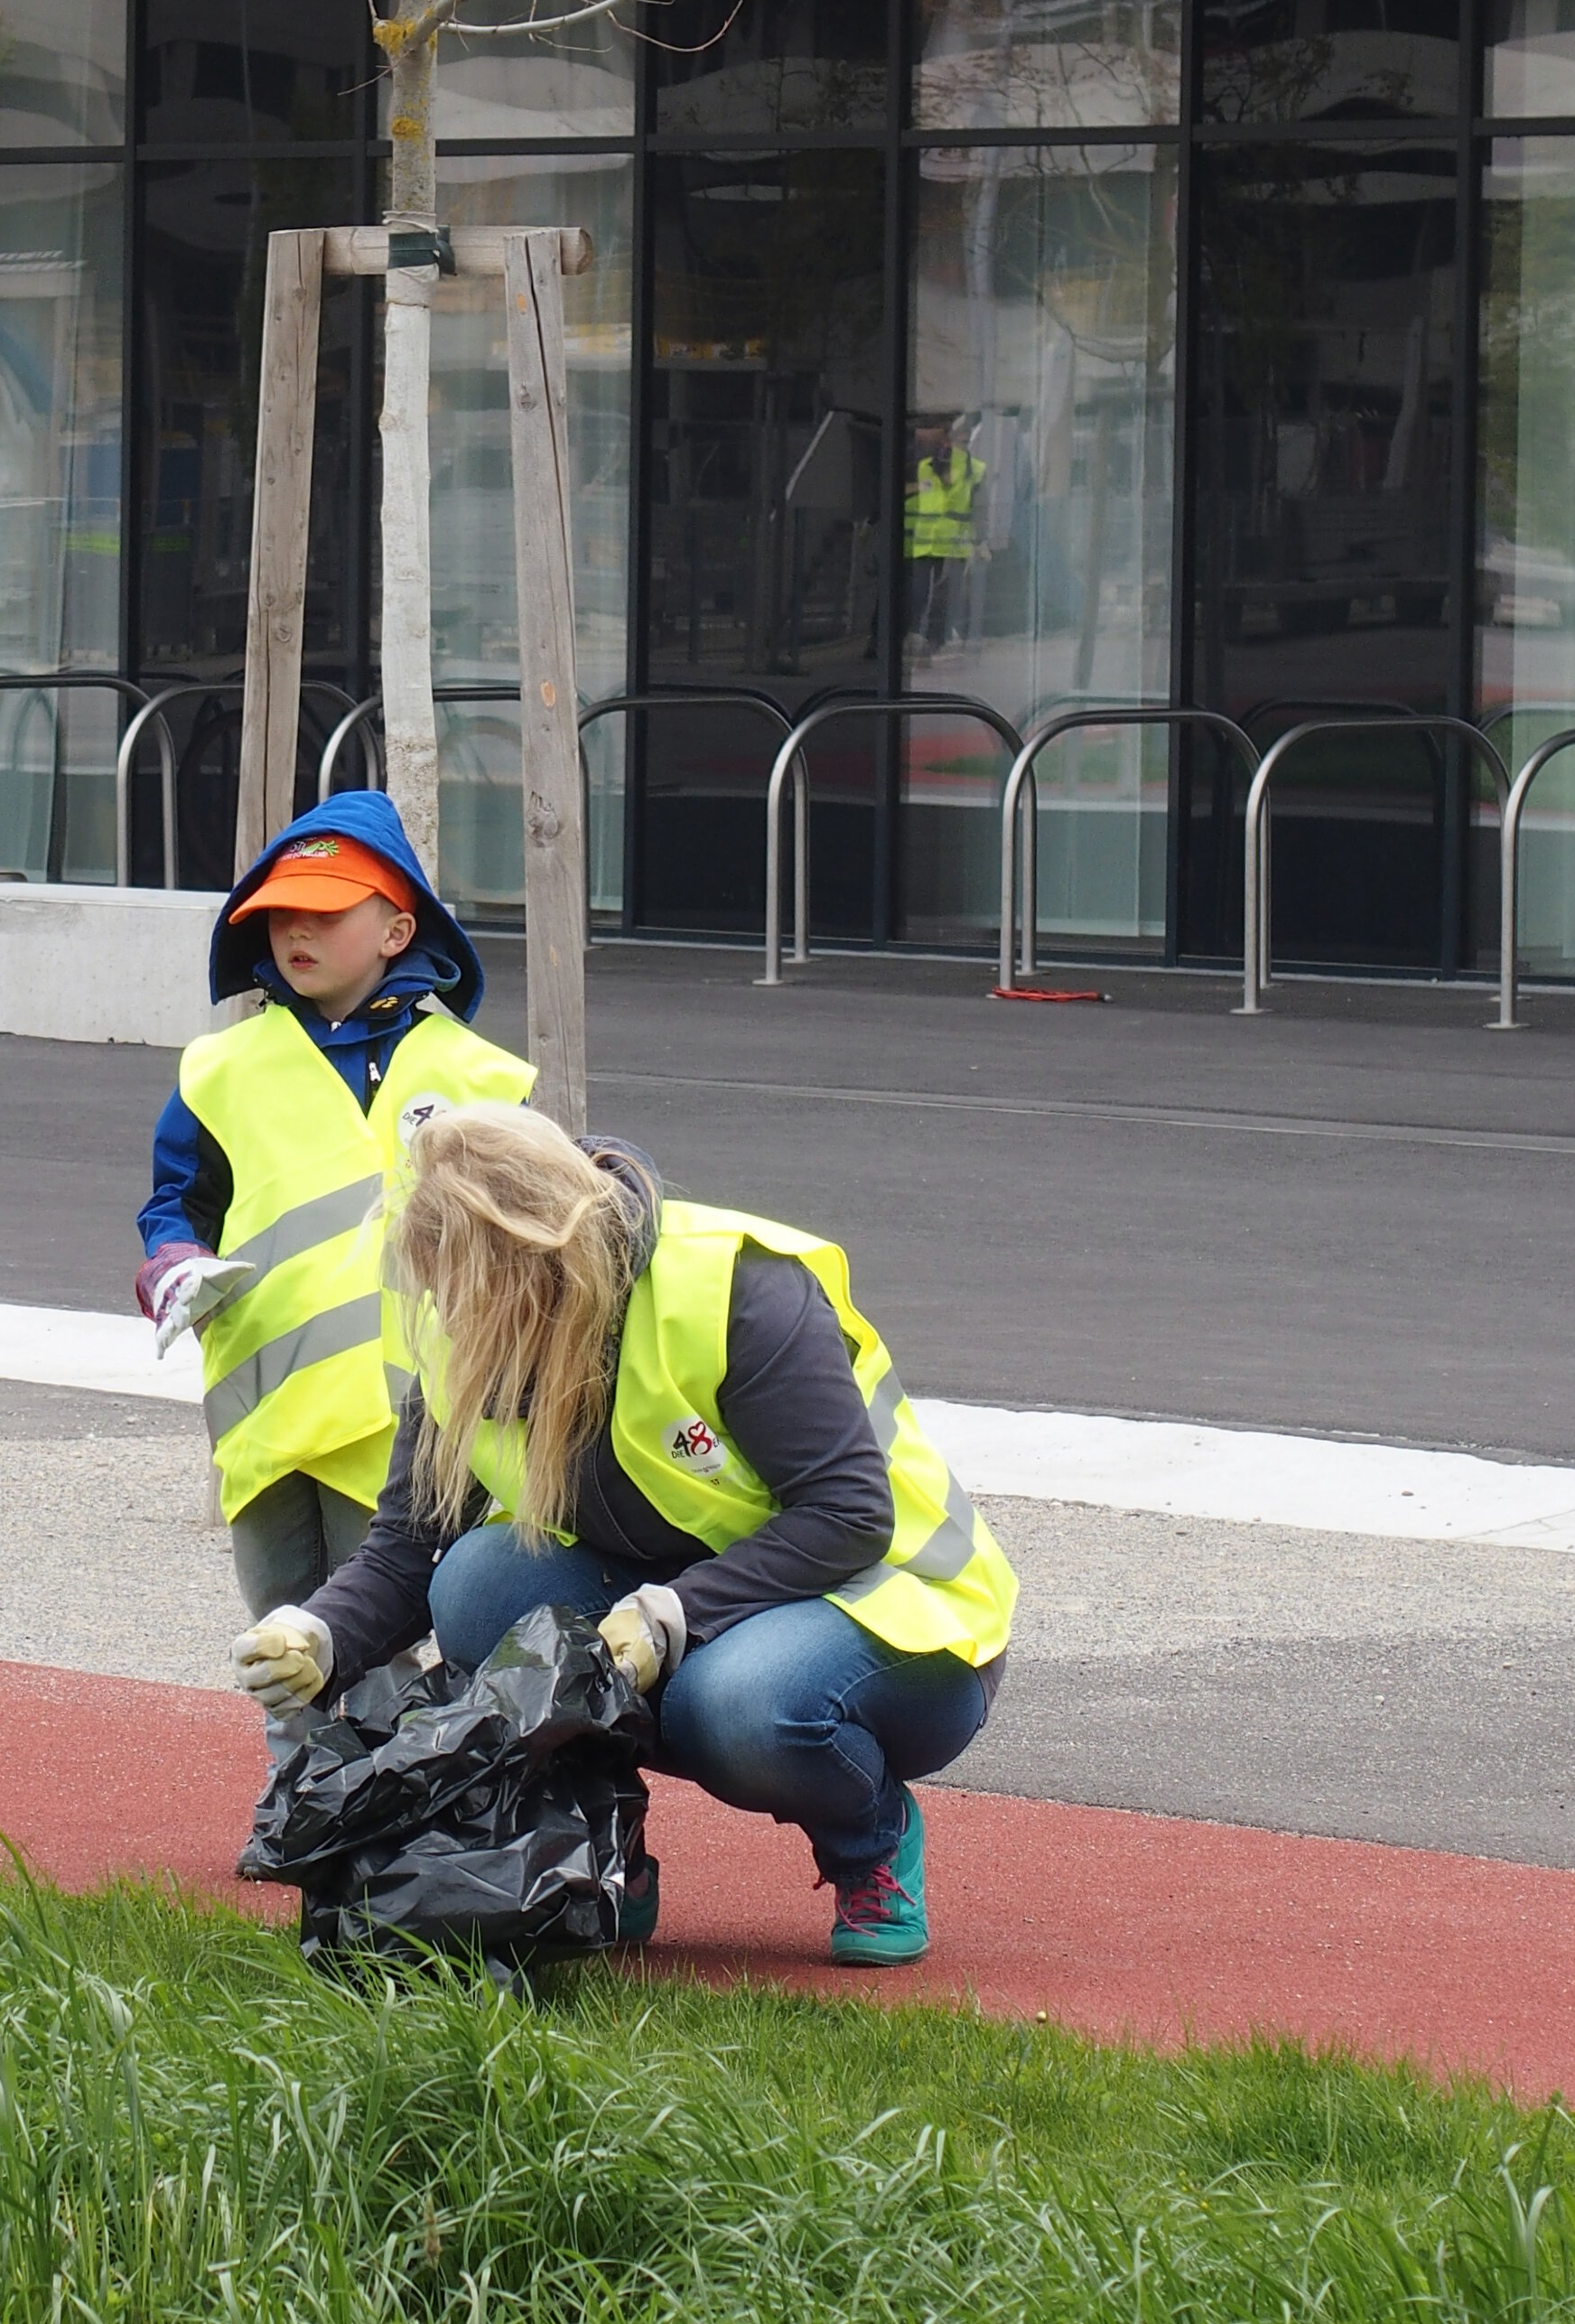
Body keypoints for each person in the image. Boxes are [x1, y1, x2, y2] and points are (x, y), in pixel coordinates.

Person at [231, 1104, 1016, 1965]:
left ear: (547, 1262)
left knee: (735, 1704)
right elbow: (410, 1548)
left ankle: (872, 1837)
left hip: (898, 1616)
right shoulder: (472, 1322)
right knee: (478, 1586)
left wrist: (675, 1614)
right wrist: (319, 1633)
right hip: (688, 1604)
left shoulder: (730, 1289)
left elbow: (848, 1513)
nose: (462, 1328)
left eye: (482, 1298)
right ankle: (596, 1864)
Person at [138, 789, 536, 1630]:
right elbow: (177, 1204)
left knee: (389, 1654)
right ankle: (300, 1773)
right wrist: (171, 1265)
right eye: (280, 914)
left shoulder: (483, 1079)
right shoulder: (222, 1068)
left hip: (421, 1421)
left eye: (324, 913)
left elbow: (535, 1244)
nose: (295, 933)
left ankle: (382, 1772)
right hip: (269, 1413)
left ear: (399, 931)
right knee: (281, 1642)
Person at [904, 414, 987, 655]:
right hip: (926, 541)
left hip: (953, 542)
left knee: (947, 594)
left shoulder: (975, 469)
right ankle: (920, 636)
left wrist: (980, 541)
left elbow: (978, 506)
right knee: (921, 593)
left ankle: (937, 638)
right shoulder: (925, 467)